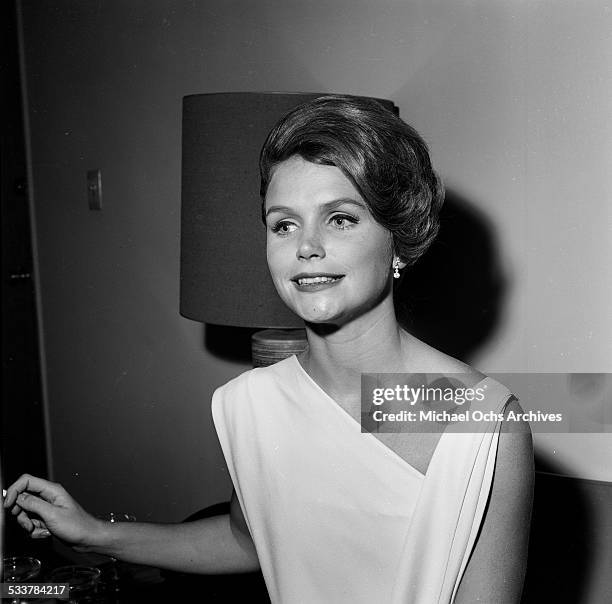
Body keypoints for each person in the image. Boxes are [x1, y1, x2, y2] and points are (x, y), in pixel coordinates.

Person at [4, 96, 533, 603]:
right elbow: (248, 540)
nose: (306, 247)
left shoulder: (485, 426)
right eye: (284, 224)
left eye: (340, 218)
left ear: (398, 237)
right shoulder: (249, 404)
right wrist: (95, 533)